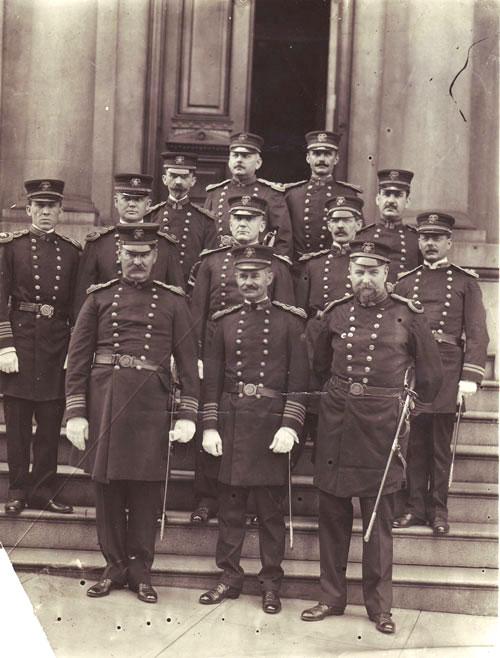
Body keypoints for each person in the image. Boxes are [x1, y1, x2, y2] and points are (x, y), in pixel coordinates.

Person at [300, 240, 442, 634]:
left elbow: (431, 375)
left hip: (382, 425)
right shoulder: (335, 314)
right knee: (332, 513)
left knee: (377, 518)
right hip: (337, 421)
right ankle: (331, 597)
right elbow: (319, 366)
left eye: (373, 271)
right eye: (359, 270)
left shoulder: (408, 316)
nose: (365, 278)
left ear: (387, 275)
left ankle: (379, 607)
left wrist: (409, 410)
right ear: (349, 273)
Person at [64, 224, 199, 603]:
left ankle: (141, 572)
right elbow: (77, 362)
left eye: (145, 255)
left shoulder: (174, 302)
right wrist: (75, 413)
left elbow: (188, 366)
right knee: (106, 489)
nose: (137, 261)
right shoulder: (98, 299)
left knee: (145, 490)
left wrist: (188, 414)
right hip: (106, 400)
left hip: (151, 406)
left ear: (155, 258)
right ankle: (114, 567)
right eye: (131, 254)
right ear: (119, 256)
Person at [198, 244, 309, 614]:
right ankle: (229, 577)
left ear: (269, 277)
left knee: (270, 513)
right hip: (232, 423)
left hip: (270, 426)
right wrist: (210, 426)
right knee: (229, 510)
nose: (248, 282)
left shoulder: (291, 322)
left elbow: (301, 381)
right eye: (242, 275)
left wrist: (290, 424)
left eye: (254, 275)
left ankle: (270, 583)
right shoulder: (223, 321)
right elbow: (211, 380)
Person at [188, 195, 295, 524]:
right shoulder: (210, 262)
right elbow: (197, 312)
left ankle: (251, 505)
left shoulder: (277, 266)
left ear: (263, 225)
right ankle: (207, 498)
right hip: (217, 357)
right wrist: (197, 357)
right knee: (213, 422)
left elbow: (286, 318)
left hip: (261, 368)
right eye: (237, 219)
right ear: (228, 223)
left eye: (250, 219)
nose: (243, 225)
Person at [393, 212, 488, 535]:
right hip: (415, 369)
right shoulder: (406, 281)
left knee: (439, 445)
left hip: (448, 366)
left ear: (449, 242)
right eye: (424, 238)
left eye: (436, 238)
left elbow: (477, 332)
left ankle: (439, 511)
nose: (430, 244)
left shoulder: (465, 282)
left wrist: (470, 377)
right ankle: (414, 507)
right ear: (418, 241)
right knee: (414, 443)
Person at [0, 179, 80, 516]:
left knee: (49, 424)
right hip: (19, 343)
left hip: (55, 346)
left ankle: (43, 490)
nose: (46, 212)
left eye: (52, 207)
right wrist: (4, 345)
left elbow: (78, 305)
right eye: (39, 206)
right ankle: (17, 490)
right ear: (29, 209)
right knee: (17, 427)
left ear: (61, 211)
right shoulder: (11, 248)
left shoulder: (72, 251)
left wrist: (73, 352)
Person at [74, 173, 184, 313]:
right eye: (126, 199)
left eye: (138, 199)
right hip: (109, 325)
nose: (131, 204)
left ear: (148, 204)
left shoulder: (165, 244)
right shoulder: (98, 243)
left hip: (155, 325)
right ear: (115, 201)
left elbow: (177, 296)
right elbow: (83, 296)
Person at [204, 132, 293, 258]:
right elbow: (204, 235)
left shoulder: (271, 194)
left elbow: (283, 242)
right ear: (229, 161)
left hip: (256, 264)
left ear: (258, 163)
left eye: (246, 156)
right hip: (220, 266)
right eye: (235, 155)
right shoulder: (215, 193)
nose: (239, 160)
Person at [285, 131, 362, 262]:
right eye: (316, 154)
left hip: (332, 265)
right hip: (297, 268)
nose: (321, 159)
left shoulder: (348, 194)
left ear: (336, 159)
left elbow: (358, 236)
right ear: (308, 158)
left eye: (327, 154)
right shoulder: (292, 194)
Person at [145, 152, 218, 286]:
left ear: (193, 181)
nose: (178, 181)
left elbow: (211, 262)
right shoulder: (150, 216)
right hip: (156, 289)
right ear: (164, 179)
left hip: (189, 289)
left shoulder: (205, 220)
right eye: (173, 176)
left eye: (184, 177)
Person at [295, 195, 364, 316]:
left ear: (358, 225)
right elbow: (301, 312)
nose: (340, 226)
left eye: (347, 220)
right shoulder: (313, 265)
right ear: (329, 226)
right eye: (335, 220)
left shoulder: (365, 263)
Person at [357, 169, 420, 283]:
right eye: (386, 194)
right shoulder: (362, 237)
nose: (391, 201)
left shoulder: (416, 239)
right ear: (378, 199)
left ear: (407, 202)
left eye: (398, 195)